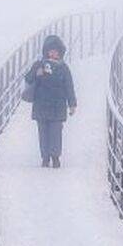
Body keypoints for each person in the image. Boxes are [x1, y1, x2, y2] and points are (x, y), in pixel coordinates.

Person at [26, 34, 77, 167]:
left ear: (60, 52)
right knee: (42, 133)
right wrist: (36, 74)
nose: (53, 52)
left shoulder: (64, 68)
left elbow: (69, 86)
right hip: (41, 105)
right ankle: (45, 157)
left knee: (56, 132)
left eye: (56, 50)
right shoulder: (39, 64)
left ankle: (55, 157)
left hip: (57, 106)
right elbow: (28, 78)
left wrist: (72, 104)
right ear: (46, 51)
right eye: (51, 50)